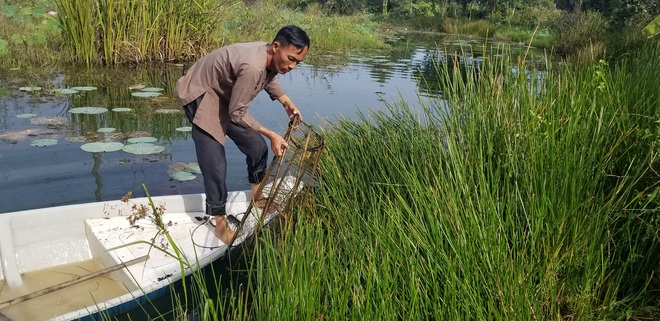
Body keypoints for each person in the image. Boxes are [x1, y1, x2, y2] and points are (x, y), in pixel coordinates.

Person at [174, 25, 310, 244]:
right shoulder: (253, 66)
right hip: (200, 93)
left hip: (225, 96)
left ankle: (257, 198)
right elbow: (237, 113)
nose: (292, 66)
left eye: (297, 62)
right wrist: (271, 134)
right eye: (291, 59)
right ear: (276, 47)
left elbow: (269, 78)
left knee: (257, 147)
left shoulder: (269, 57)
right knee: (215, 162)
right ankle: (219, 223)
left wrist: (287, 102)